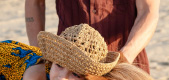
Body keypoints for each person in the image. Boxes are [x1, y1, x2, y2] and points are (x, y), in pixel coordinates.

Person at [25, 0, 160, 74]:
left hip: (126, 61)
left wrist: (124, 58)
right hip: (68, 63)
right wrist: (39, 56)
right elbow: (34, 3)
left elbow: (148, 11)